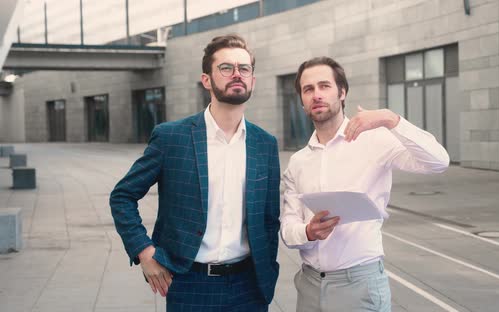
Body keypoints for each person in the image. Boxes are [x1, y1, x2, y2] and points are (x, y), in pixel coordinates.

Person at [110, 34, 280, 312]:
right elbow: (122, 196)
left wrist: (268, 274)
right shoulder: (171, 137)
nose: (237, 74)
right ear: (206, 80)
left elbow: (270, 219)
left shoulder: (265, 144)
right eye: (226, 68)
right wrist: (145, 252)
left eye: (244, 68)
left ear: (252, 79)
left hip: (249, 287)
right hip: (190, 284)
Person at [280, 56, 450, 312]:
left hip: (359, 286)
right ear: (302, 101)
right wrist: (308, 232)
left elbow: (438, 162)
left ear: (342, 92)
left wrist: (391, 120)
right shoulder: (298, 162)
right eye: (308, 89)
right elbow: (288, 229)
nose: (316, 94)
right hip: (310, 287)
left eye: (324, 86)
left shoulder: (375, 140)